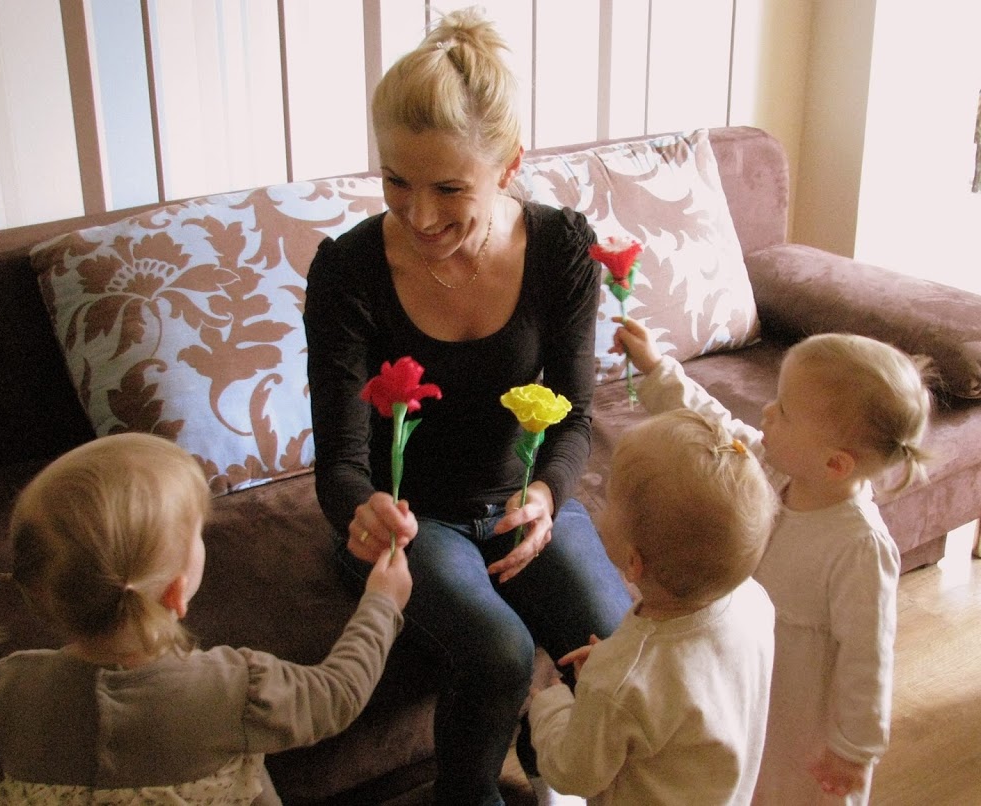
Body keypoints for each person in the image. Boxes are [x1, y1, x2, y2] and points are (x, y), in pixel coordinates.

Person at [303, 7, 632, 805]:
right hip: (412, 520)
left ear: (510, 164)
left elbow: (574, 417)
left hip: (519, 503)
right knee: (497, 652)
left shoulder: (561, 250)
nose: (418, 216)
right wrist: (362, 510)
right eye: (396, 182)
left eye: (449, 188)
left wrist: (547, 495)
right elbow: (341, 464)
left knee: (619, 649)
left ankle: (566, 777)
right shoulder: (348, 271)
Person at [0, 433, 411, 806]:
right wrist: (382, 602)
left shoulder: (4, 689)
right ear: (175, 591)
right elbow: (338, 693)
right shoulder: (237, 689)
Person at [612, 317, 932, 805]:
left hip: (801, 717)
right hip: (746, 679)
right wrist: (657, 368)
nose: (766, 411)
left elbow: (868, 659)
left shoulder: (859, 547)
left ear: (835, 463)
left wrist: (854, 750)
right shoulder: (772, 468)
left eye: (783, 411)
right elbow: (712, 425)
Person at [528, 409, 778, 804]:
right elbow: (686, 684)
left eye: (611, 499)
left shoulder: (621, 678)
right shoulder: (753, 601)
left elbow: (573, 773)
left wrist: (551, 707)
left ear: (633, 562)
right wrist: (617, 668)